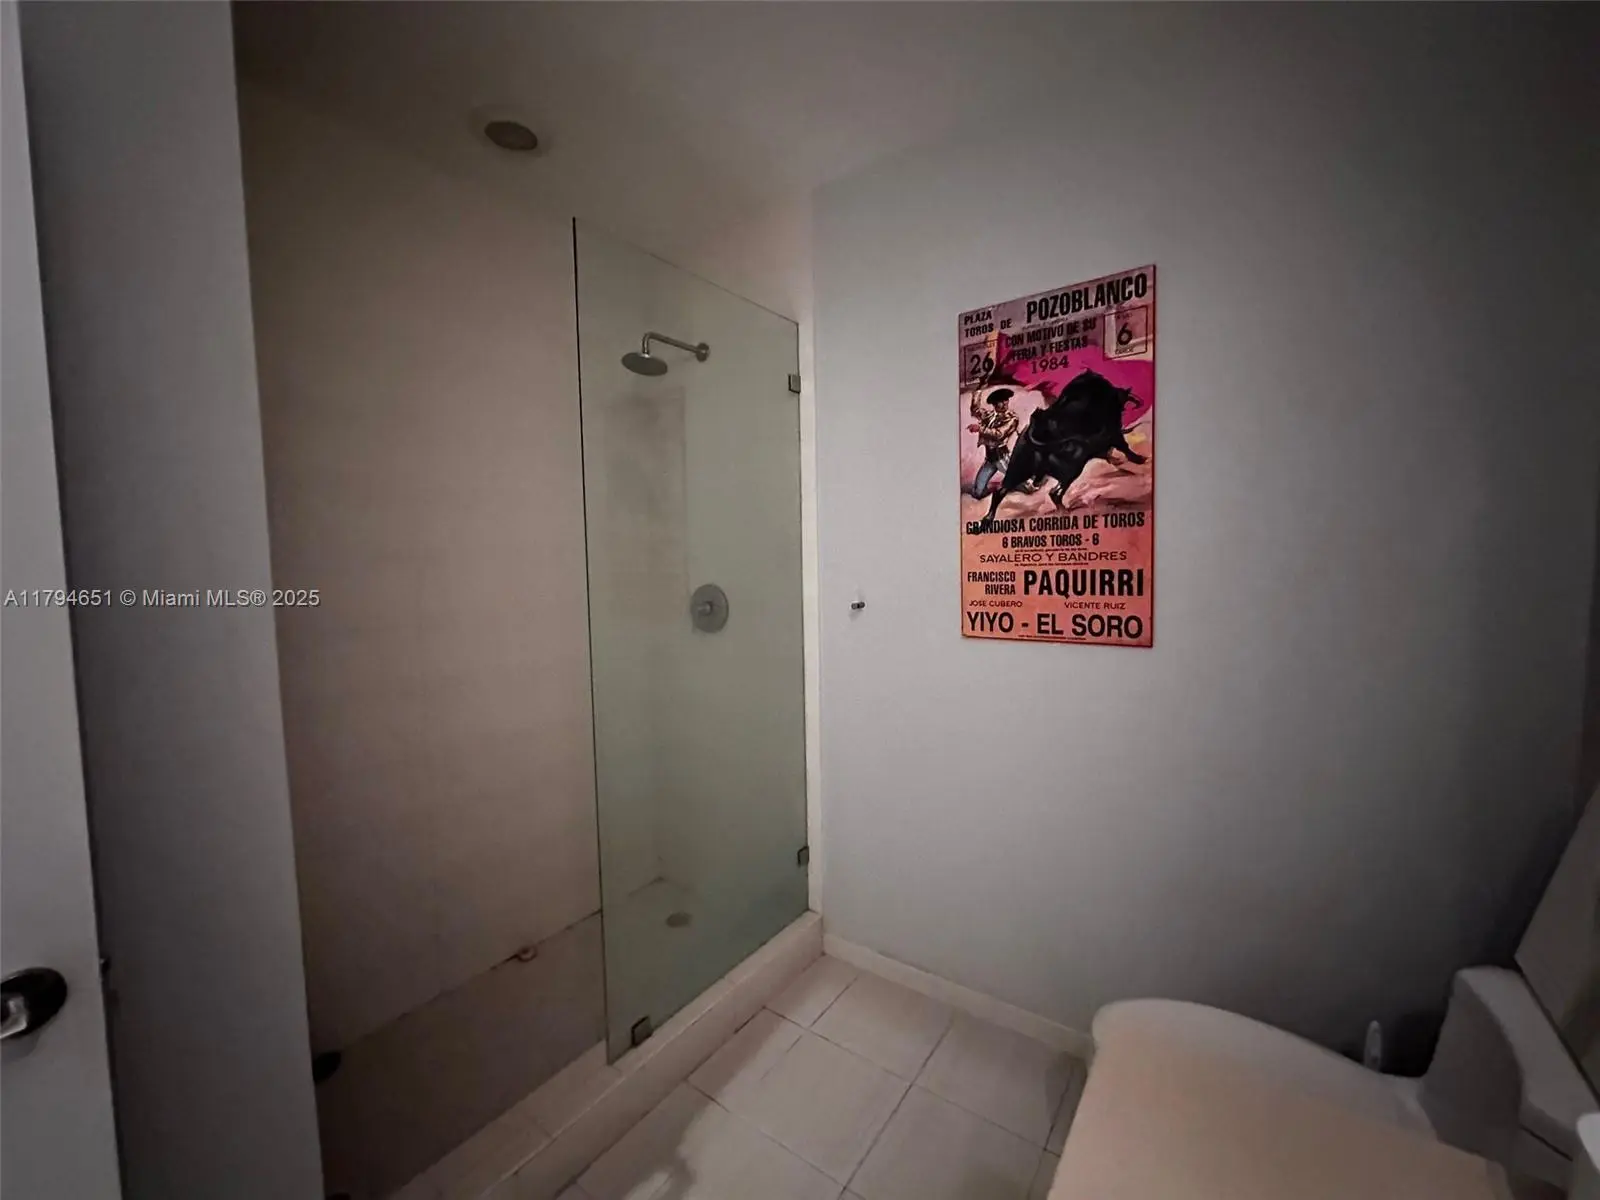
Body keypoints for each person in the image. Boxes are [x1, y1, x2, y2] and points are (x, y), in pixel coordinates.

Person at [968, 387, 1019, 499]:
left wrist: (980, 428)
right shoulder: (989, 416)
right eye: (1001, 401)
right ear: (995, 404)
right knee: (977, 492)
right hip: (990, 459)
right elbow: (975, 410)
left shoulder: (1012, 418)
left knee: (1023, 484)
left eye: (1006, 400)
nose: (1005, 403)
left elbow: (999, 434)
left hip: (1002, 457)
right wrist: (978, 390)